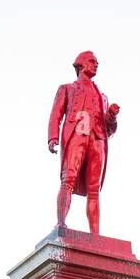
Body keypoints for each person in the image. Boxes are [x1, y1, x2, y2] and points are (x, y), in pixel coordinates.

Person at [48, 51, 120, 234]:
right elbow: (55, 115)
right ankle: (61, 224)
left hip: (97, 140)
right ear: (80, 64)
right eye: (92, 61)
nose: (96, 64)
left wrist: (111, 116)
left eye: (97, 62)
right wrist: (53, 137)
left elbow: (109, 129)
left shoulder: (102, 97)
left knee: (94, 189)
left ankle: (95, 234)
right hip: (77, 135)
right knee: (68, 179)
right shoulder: (67, 89)